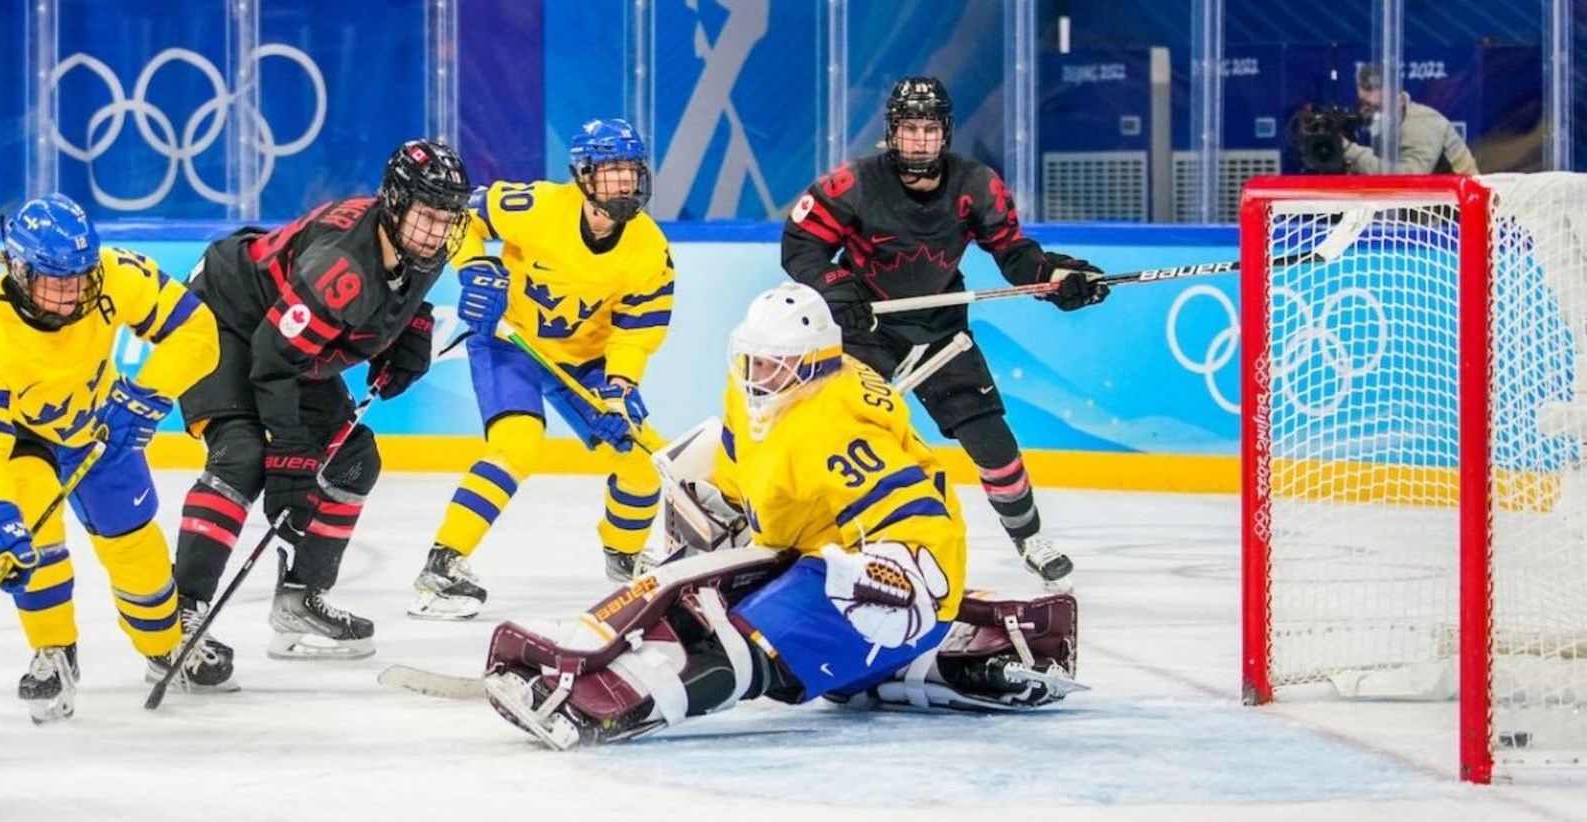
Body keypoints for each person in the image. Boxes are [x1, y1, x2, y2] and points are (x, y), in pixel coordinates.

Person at [481, 284, 1080, 750]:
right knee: (693, 474)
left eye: (773, 365)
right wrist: (702, 528)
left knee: (750, 645)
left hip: (888, 571)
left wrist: (900, 575)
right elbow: (743, 468)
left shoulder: (835, 423)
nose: (756, 376)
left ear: (814, 363)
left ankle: (611, 701)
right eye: (752, 360)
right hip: (809, 544)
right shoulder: (751, 394)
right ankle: (933, 665)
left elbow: (917, 516)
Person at [781, 75, 1108, 592]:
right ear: (893, 132)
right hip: (868, 331)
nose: (919, 141)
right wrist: (838, 289)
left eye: (929, 129)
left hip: (941, 332)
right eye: (909, 129)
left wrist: (1055, 276)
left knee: (991, 437)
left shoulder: (976, 184)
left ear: (945, 133)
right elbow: (801, 245)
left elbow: (1014, 253)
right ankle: (815, 536)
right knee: (841, 437)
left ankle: (1030, 539)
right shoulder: (852, 184)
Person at [172, 138, 473, 660]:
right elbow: (271, 355)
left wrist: (411, 328)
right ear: (396, 203)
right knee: (243, 455)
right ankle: (180, 614)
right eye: (428, 215)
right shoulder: (342, 269)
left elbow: (403, 292)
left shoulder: (421, 243)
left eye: (448, 217)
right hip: (217, 319)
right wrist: (289, 453)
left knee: (354, 460)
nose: (439, 230)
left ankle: (299, 600)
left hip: (281, 335)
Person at [411, 118, 676, 620]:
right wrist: (474, 268)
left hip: (587, 362)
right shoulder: (534, 206)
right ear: (582, 175)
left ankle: (623, 560)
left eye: (631, 171)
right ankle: (441, 568)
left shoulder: (650, 249)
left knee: (642, 464)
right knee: (519, 447)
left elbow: (636, 330)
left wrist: (619, 388)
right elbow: (464, 217)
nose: (624, 183)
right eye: (611, 171)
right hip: (512, 344)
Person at [0, 193, 232, 722]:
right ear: (18, 269)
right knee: (31, 542)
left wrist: (148, 390)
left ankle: (165, 645)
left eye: (80, 276)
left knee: (137, 550)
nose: (73, 293)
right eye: (56, 280)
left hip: (103, 428)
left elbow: (199, 331)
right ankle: (53, 650)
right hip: (24, 442)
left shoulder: (117, 275)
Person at [1343, 63, 1478, 176]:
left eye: (1378, 107)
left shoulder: (1423, 123)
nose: (1368, 113)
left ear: (1400, 100)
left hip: (1460, 202)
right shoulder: (1377, 126)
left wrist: (1350, 151)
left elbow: (1411, 178)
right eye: (1364, 105)